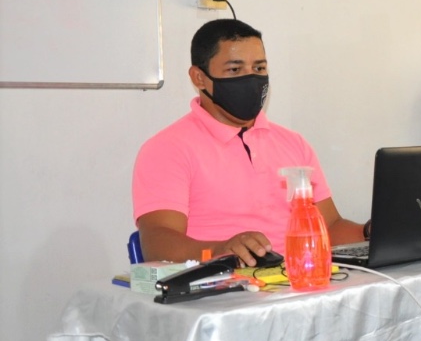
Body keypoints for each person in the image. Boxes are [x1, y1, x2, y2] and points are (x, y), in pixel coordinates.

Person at [132, 19, 365, 266]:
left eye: (259, 68)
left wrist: (373, 232)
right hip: (224, 284)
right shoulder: (168, 149)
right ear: (199, 78)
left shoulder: (293, 143)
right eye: (235, 70)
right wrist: (222, 250)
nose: (251, 79)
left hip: (298, 279)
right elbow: (158, 245)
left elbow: (330, 228)